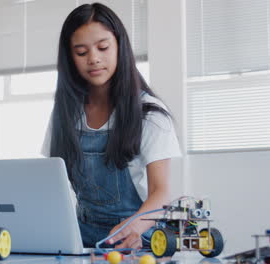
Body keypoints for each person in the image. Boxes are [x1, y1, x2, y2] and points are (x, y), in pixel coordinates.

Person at [41, 3, 181, 249]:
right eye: (81, 52)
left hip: (139, 236)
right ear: (69, 58)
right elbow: (52, 183)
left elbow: (161, 194)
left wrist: (134, 227)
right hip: (82, 236)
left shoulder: (149, 114)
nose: (94, 58)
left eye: (103, 47)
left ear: (120, 47)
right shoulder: (65, 113)